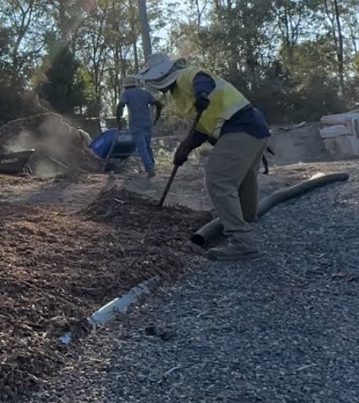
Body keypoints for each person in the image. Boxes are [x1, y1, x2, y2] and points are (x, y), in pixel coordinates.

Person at [138, 53, 271, 261]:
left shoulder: (186, 75)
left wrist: (202, 94)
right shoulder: (179, 91)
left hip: (239, 128)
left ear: (161, 75)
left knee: (219, 180)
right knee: (244, 179)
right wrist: (185, 147)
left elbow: (202, 81)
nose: (155, 86)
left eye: (154, 81)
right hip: (253, 127)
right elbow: (202, 126)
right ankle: (246, 219)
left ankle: (242, 242)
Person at [116, 77, 160, 177]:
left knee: (141, 148)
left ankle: (149, 169)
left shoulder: (126, 94)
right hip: (147, 123)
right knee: (147, 146)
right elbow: (158, 103)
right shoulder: (144, 93)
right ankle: (152, 165)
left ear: (125, 87)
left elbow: (120, 106)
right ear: (135, 84)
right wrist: (157, 118)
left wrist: (118, 121)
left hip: (136, 124)